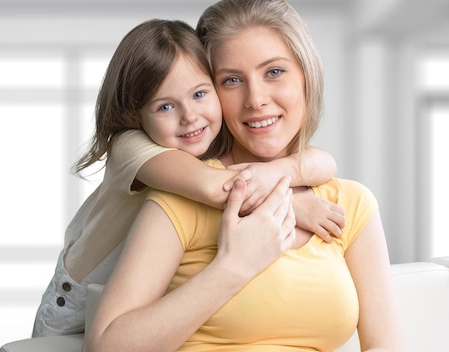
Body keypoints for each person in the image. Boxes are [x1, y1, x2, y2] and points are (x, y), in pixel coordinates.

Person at [84, 0, 404, 351]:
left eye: (274, 72)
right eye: (232, 80)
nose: (256, 99)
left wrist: (276, 182)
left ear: (306, 76)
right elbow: (105, 347)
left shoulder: (351, 204)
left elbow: (386, 345)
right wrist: (234, 267)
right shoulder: (183, 192)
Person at [32, 18, 345, 338]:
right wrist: (293, 202)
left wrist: (276, 171)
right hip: (73, 306)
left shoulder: (201, 146)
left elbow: (324, 163)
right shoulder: (131, 146)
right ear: (134, 113)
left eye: (199, 94)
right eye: (165, 106)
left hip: (139, 300)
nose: (190, 117)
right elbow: (218, 187)